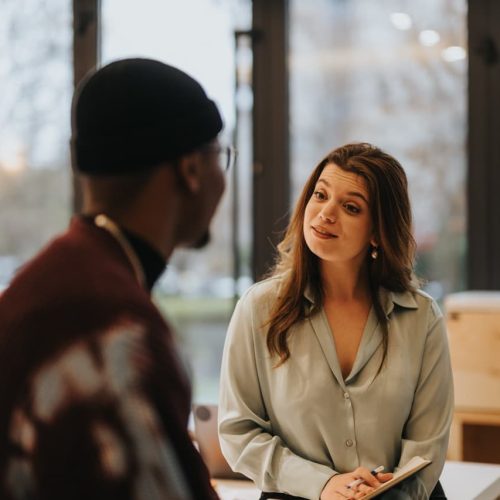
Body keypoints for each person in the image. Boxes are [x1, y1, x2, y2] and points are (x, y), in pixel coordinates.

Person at [0, 58, 232, 500]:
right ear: (191, 169)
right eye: (219, 155)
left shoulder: (55, 279)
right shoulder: (108, 322)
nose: (222, 178)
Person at [218, 143, 453, 500]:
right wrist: (322, 484)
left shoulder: (422, 318)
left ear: (378, 231)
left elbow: (427, 445)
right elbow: (239, 432)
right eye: (320, 195)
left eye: (351, 207)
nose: (325, 213)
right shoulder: (258, 308)